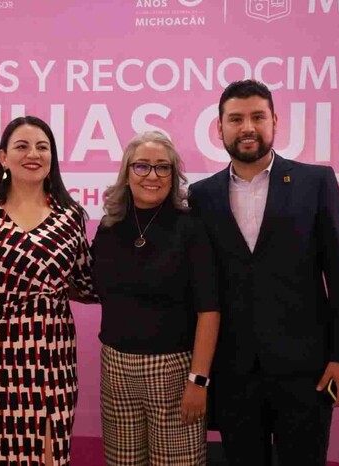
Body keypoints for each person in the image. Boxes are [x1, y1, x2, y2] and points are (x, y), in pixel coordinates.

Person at [189, 80, 339, 466]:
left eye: (257, 117)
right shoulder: (201, 196)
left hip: (305, 371)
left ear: (274, 122)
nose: (247, 127)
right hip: (234, 373)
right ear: (220, 128)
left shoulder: (315, 183)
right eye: (235, 119)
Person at [0, 115, 95, 465]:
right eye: (21, 146)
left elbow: (85, 282)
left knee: (48, 453)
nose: (32, 154)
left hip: (51, 351)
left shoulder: (70, 215)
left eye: (42, 147)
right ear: (3, 157)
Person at [91, 131, 220, 465]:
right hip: (116, 367)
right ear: (127, 173)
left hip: (174, 370)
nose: (152, 176)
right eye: (142, 166)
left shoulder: (190, 227)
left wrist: (199, 381)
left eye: (163, 168)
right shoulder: (108, 227)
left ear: (174, 176)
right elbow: (94, 287)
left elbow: (209, 310)